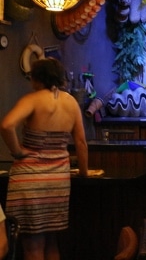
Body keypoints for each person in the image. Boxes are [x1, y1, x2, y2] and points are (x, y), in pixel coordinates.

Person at [0, 57, 89, 260]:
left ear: (36, 78)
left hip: (30, 180)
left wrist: (18, 152)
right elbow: (81, 143)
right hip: (58, 181)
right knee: (51, 243)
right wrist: (83, 173)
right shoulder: (71, 102)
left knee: (32, 246)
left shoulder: (32, 99)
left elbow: (6, 125)